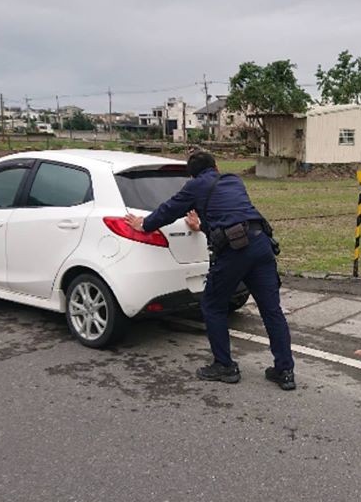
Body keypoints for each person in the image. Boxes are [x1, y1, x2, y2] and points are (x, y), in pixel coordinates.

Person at [124, 151, 296, 390]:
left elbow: (168, 210)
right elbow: (232, 217)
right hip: (262, 245)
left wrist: (143, 224)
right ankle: (285, 371)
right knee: (271, 310)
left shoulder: (194, 187)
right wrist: (202, 225)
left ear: (192, 175)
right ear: (216, 167)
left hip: (235, 253)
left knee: (213, 305)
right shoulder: (234, 180)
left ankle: (224, 366)